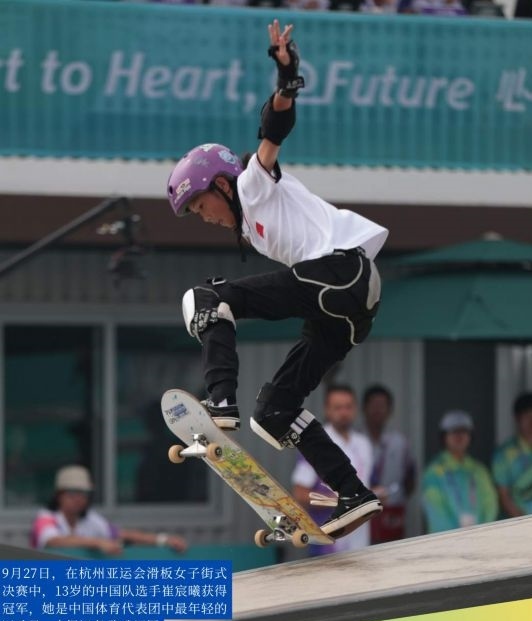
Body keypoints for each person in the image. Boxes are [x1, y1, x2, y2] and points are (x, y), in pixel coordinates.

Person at [166, 20, 387, 540]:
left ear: (222, 186)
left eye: (202, 205)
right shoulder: (254, 228)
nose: (206, 217)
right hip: (348, 308)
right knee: (274, 411)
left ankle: (221, 401)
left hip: (342, 274)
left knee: (205, 297)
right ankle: (352, 492)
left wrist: (287, 77)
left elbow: (273, 131)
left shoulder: (252, 183)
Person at [30, 466, 188, 555]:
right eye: (72, 493)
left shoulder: (89, 518)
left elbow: (122, 535)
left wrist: (163, 540)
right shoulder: (46, 518)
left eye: (83, 493)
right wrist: (98, 542)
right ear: (59, 495)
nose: (79, 499)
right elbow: (53, 541)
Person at [291, 384, 374, 554]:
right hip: (328, 541)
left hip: (360, 540)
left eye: (348, 407)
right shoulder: (316, 443)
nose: (343, 412)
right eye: (337, 407)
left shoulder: (364, 444)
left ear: (356, 409)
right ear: (327, 410)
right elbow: (300, 493)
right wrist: (338, 500)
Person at [422, 411, 498, 534]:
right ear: (444, 437)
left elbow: (490, 505)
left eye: (464, 431)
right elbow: (436, 513)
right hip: (446, 540)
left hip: (480, 538)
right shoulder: (433, 472)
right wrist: (458, 537)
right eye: (453, 431)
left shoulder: (479, 470)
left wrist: (482, 533)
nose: (459, 436)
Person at [362, 384, 416, 543]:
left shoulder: (400, 442)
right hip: (361, 513)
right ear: (364, 408)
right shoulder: (355, 440)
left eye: (382, 406)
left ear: (390, 410)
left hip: (391, 513)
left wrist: (395, 496)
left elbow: (410, 478)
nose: (377, 410)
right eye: (373, 405)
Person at [492, 392, 532, 518]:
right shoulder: (503, 455)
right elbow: (503, 496)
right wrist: (525, 525)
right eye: (528, 416)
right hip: (518, 524)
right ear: (517, 418)